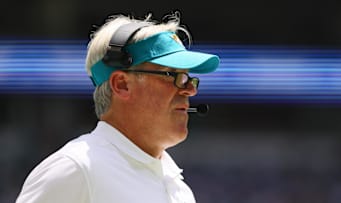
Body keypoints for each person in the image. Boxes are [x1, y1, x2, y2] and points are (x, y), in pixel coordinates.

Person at [16, 11, 219, 203]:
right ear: (122, 84)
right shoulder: (76, 168)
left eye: (188, 79)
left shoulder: (179, 189)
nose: (189, 91)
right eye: (173, 76)